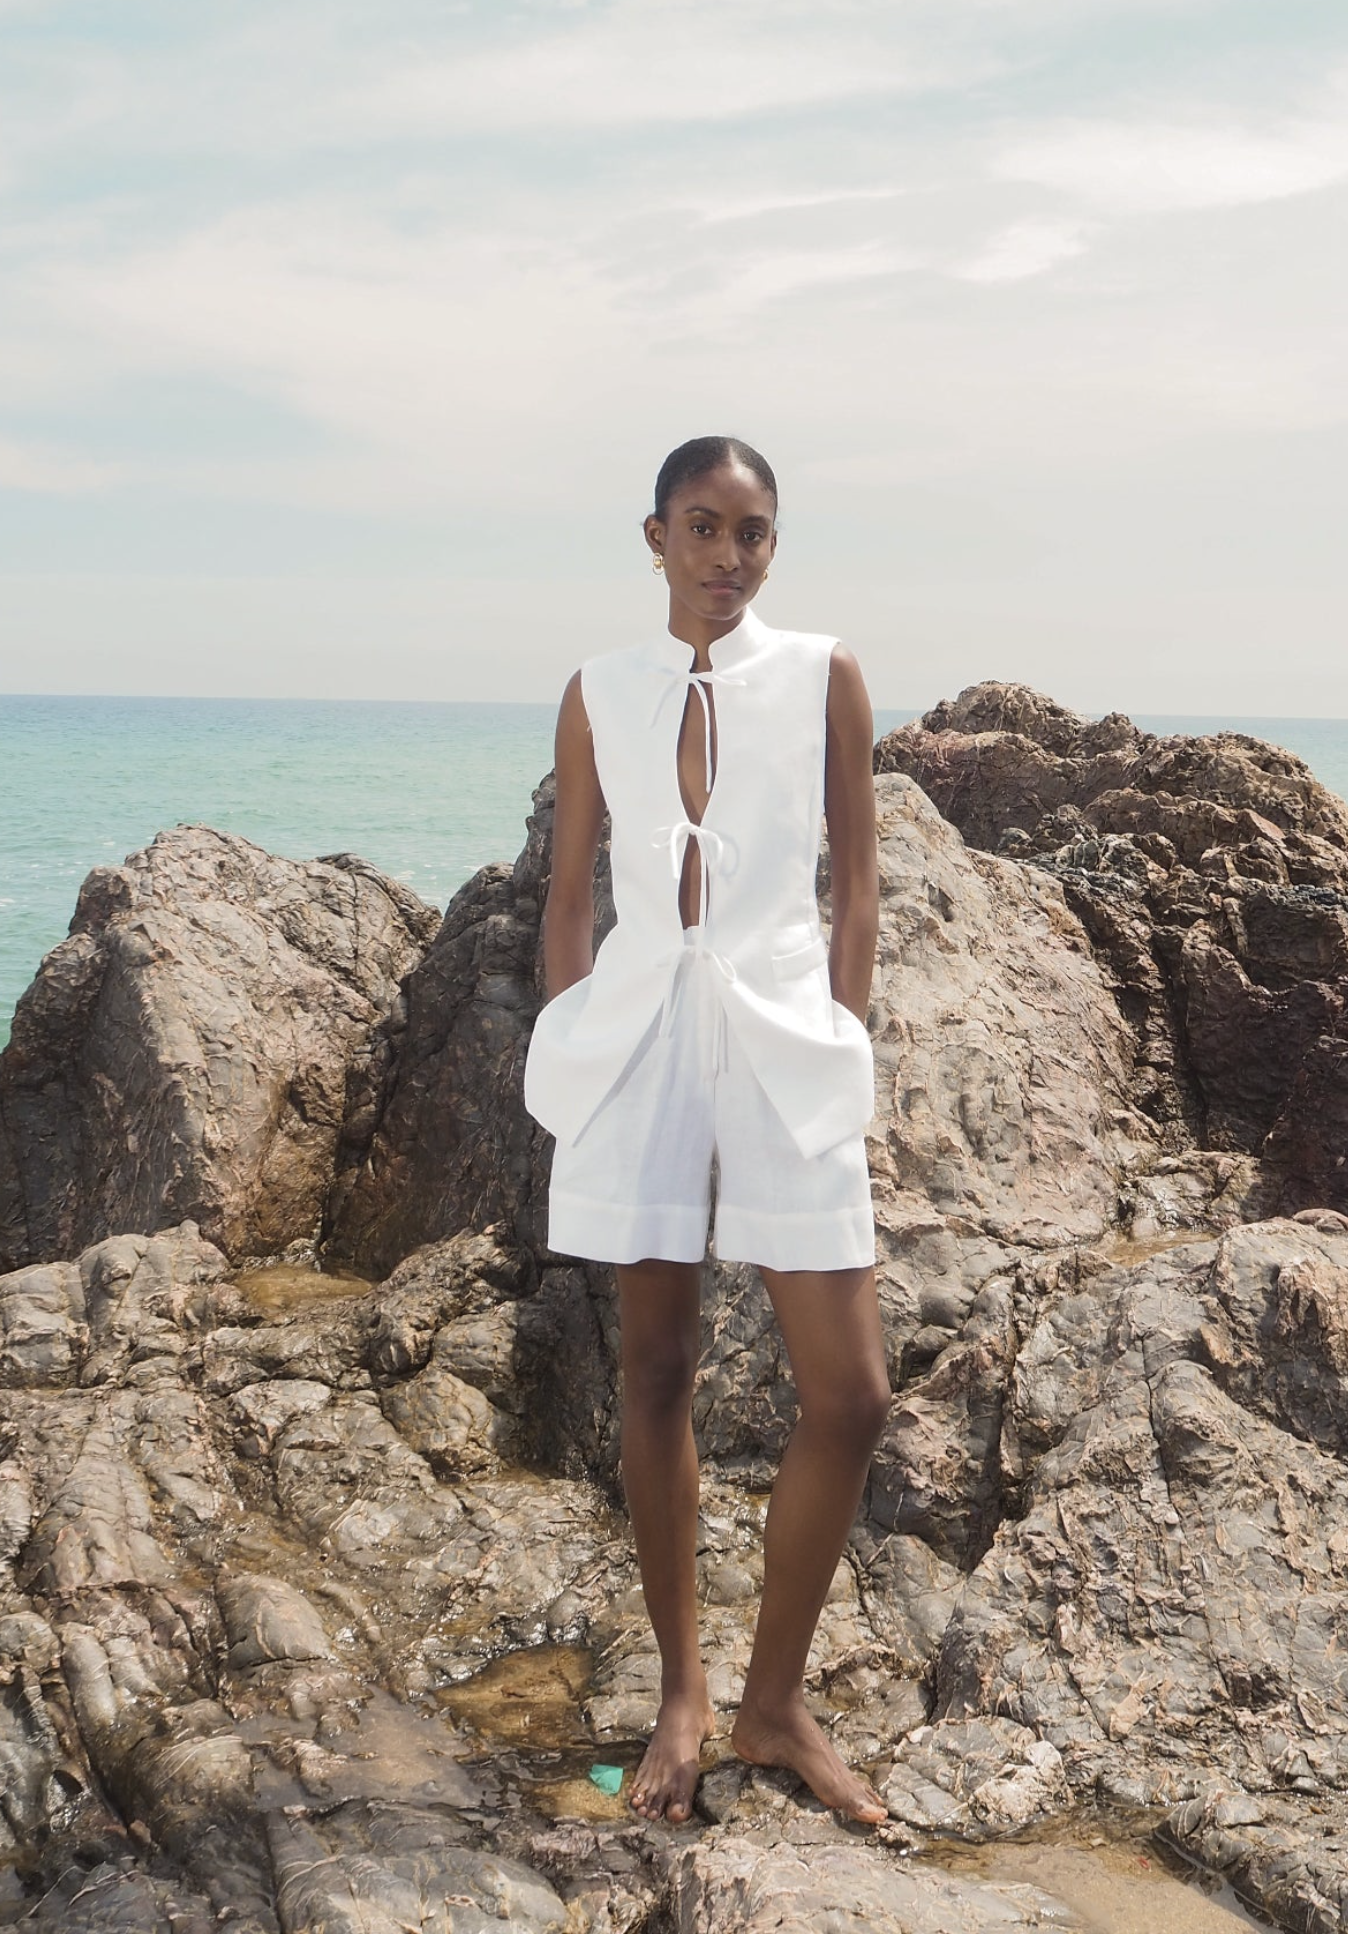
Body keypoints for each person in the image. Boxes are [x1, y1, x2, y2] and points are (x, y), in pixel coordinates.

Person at [524, 435, 891, 1826]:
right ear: (655, 535)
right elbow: (571, 891)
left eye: (753, 533)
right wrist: (578, 1033)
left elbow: (856, 880)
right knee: (658, 1365)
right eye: (703, 527)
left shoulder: (823, 674)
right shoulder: (597, 692)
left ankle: (773, 1702)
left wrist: (841, 1036)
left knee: (849, 1391)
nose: (729, 557)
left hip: (784, 1023)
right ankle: (687, 1693)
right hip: (643, 1036)